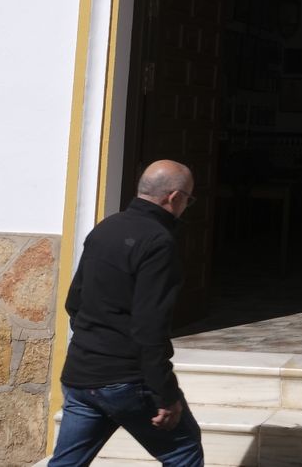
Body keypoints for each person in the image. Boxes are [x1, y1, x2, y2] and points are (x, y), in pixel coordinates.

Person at [50, 160, 204, 467]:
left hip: (81, 374)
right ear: (173, 197)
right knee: (183, 452)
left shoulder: (105, 228)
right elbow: (150, 327)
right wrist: (165, 393)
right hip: (127, 380)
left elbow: (74, 302)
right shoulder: (159, 243)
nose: (187, 205)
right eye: (189, 198)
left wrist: (96, 344)